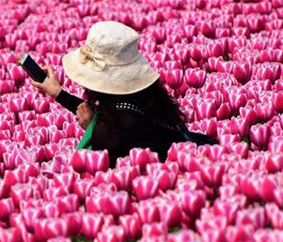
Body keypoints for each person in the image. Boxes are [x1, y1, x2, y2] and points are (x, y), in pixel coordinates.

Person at [32, 21, 215, 166]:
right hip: (201, 156)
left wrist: (92, 130)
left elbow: (111, 179)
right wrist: (58, 93)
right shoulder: (147, 100)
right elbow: (102, 114)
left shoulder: (111, 131)